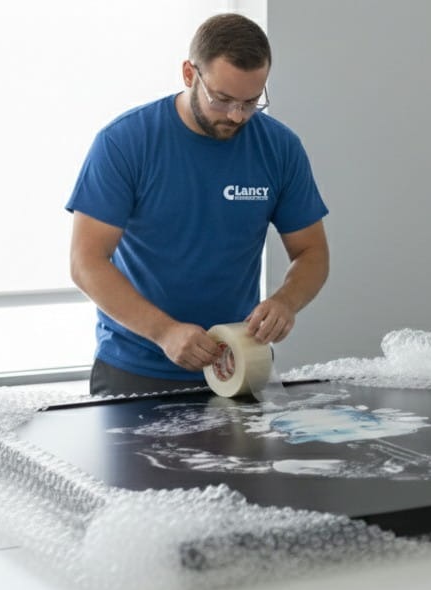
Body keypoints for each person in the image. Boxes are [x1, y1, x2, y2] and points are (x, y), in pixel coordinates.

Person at [66, 13, 329, 396]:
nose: (237, 116)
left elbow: (312, 251)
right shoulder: (124, 142)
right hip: (137, 367)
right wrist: (165, 332)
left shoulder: (279, 147)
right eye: (222, 100)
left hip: (237, 366)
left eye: (251, 102)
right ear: (190, 74)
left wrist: (286, 302)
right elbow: (85, 263)